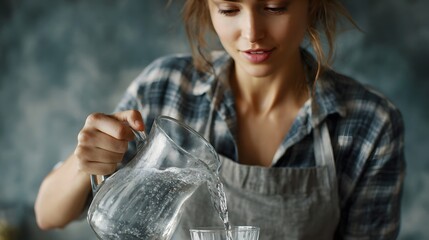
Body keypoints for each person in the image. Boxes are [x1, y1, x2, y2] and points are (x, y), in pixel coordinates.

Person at [34, 0, 406, 239]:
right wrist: (84, 162)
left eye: (275, 7)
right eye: (229, 9)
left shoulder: (368, 124)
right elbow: (48, 215)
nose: (252, 34)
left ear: (312, 5)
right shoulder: (167, 88)